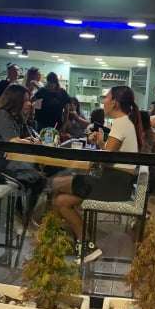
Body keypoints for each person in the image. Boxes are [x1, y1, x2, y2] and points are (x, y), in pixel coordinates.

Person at [50, 85, 142, 263]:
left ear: (114, 102)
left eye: (106, 97)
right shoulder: (125, 123)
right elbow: (110, 155)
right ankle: (85, 246)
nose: (103, 101)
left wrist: (99, 145)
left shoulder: (121, 123)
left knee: (54, 183)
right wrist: (101, 142)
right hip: (117, 183)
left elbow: (105, 158)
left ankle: (56, 238)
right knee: (61, 201)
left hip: (113, 184)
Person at [0, 84, 46, 219]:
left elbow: (15, 140)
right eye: (26, 100)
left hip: (3, 159)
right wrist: (31, 142)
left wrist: (26, 138)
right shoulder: (1, 115)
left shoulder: (11, 116)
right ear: (16, 100)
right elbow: (13, 142)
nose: (29, 103)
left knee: (38, 174)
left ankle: (23, 215)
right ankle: (22, 218)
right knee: (37, 178)